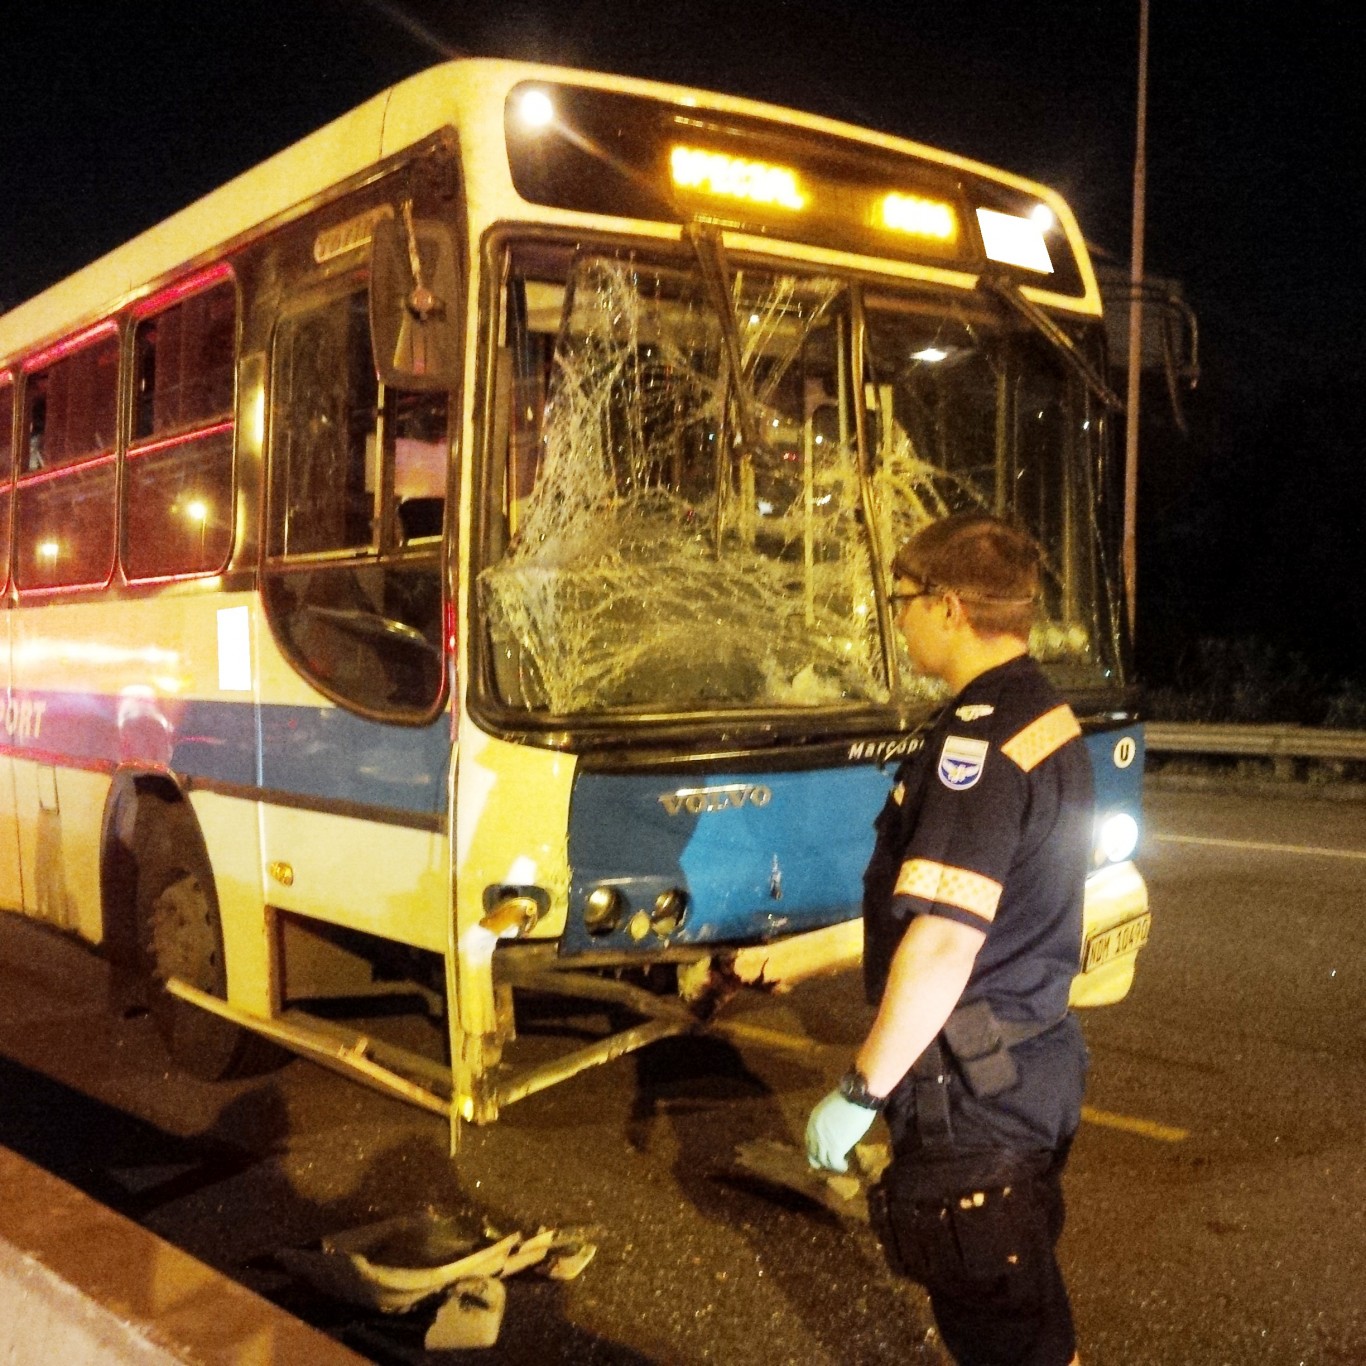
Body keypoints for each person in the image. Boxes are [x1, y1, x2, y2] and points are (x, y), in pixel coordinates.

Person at [805, 512, 1091, 1366]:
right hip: (1034, 1067)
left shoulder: (977, 740)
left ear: (949, 606)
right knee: (1028, 1318)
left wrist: (859, 1092)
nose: (896, 618)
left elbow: (943, 944)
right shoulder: (1045, 713)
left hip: (972, 1096)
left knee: (1005, 1334)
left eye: (901, 600)